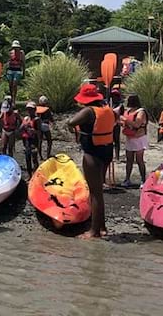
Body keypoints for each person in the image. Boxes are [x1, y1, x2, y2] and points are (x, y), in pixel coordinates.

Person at [67, 84, 116, 239]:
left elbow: (71, 122)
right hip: (107, 151)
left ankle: (94, 231)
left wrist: (72, 126)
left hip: (92, 154)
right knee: (98, 191)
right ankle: (102, 227)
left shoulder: (88, 111)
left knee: (95, 193)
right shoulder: (107, 109)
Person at [121, 94, 147, 188]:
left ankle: (143, 180)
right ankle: (127, 179)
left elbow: (137, 124)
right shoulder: (128, 111)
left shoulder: (141, 112)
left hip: (139, 138)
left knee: (139, 160)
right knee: (129, 160)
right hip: (130, 138)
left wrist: (124, 120)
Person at [20, 101, 40, 177]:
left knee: (34, 158)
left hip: (33, 141)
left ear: (34, 110)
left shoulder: (37, 119)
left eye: (31, 109)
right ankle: (29, 175)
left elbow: (39, 132)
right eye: (28, 109)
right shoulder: (26, 118)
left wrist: (32, 130)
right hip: (26, 141)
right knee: (27, 158)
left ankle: (35, 175)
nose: (29, 111)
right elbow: (21, 128)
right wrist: (24, 124)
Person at [37, 95, 53, 160]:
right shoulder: (47, 109)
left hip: (39, 125)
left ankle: (40, 156)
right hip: (45, 125)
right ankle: (48, 155)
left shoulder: (37, 108)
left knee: (40, 141)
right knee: (49, 141)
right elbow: (51, 118)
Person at [110, 89, 124, 162]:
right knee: (109, 141)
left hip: (116, 125)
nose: (114, 97)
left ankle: (117, 157)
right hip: (108, 124)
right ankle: (110, 157)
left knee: (116, 141)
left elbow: (122, 115)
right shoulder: (108, 103)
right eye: (113, 95)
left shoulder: (120, 106)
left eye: (115, 95)